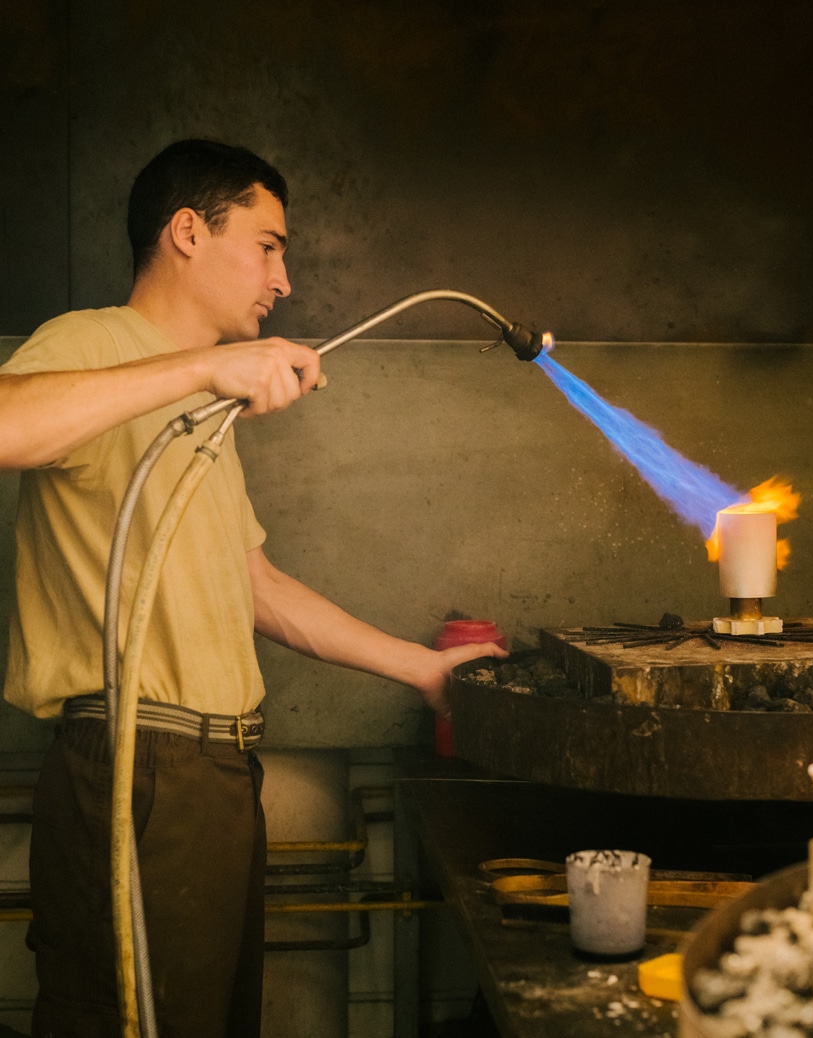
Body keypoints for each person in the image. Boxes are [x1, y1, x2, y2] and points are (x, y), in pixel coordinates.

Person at [0, 139, 507, 1037]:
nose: (284, 275)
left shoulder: (206, 417)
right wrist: (202, 367)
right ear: (187, 232)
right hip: (134, 761)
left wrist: (420, 671)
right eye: (268, 243)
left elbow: (254, 585)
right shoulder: (93, 344)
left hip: (214, 774)